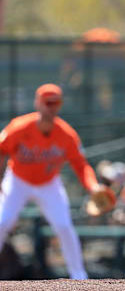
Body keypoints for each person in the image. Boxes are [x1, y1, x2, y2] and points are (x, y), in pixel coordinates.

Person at [0, 84, 108, 279]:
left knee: (64, 226)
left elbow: (80, 164)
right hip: (18, 181)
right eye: (47, 102)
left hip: (49, 184)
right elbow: (1, 150)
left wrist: (93, 186)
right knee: (2, 222)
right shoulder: (19, 126)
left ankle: (79, 277)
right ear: (38, 103)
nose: (51, 107)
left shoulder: (66, 134)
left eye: (55, 103)